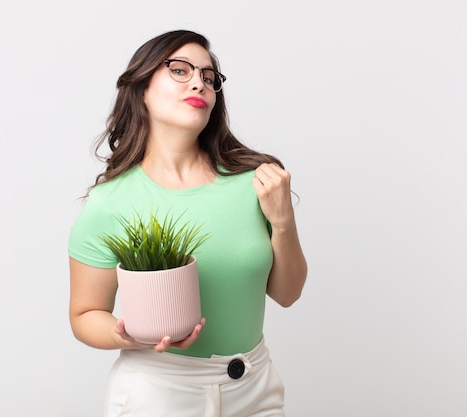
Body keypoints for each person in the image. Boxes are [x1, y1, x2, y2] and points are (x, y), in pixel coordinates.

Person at [68, 29, 308, 417]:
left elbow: (288, 292)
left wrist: (283, 223)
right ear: (142, 87)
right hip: (159, 392)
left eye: (208, 77)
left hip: (255, 386)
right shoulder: (110, 203)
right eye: (179, 70)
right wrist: (127, 335)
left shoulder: (256, 181)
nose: (199, 81)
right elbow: (84, 315)